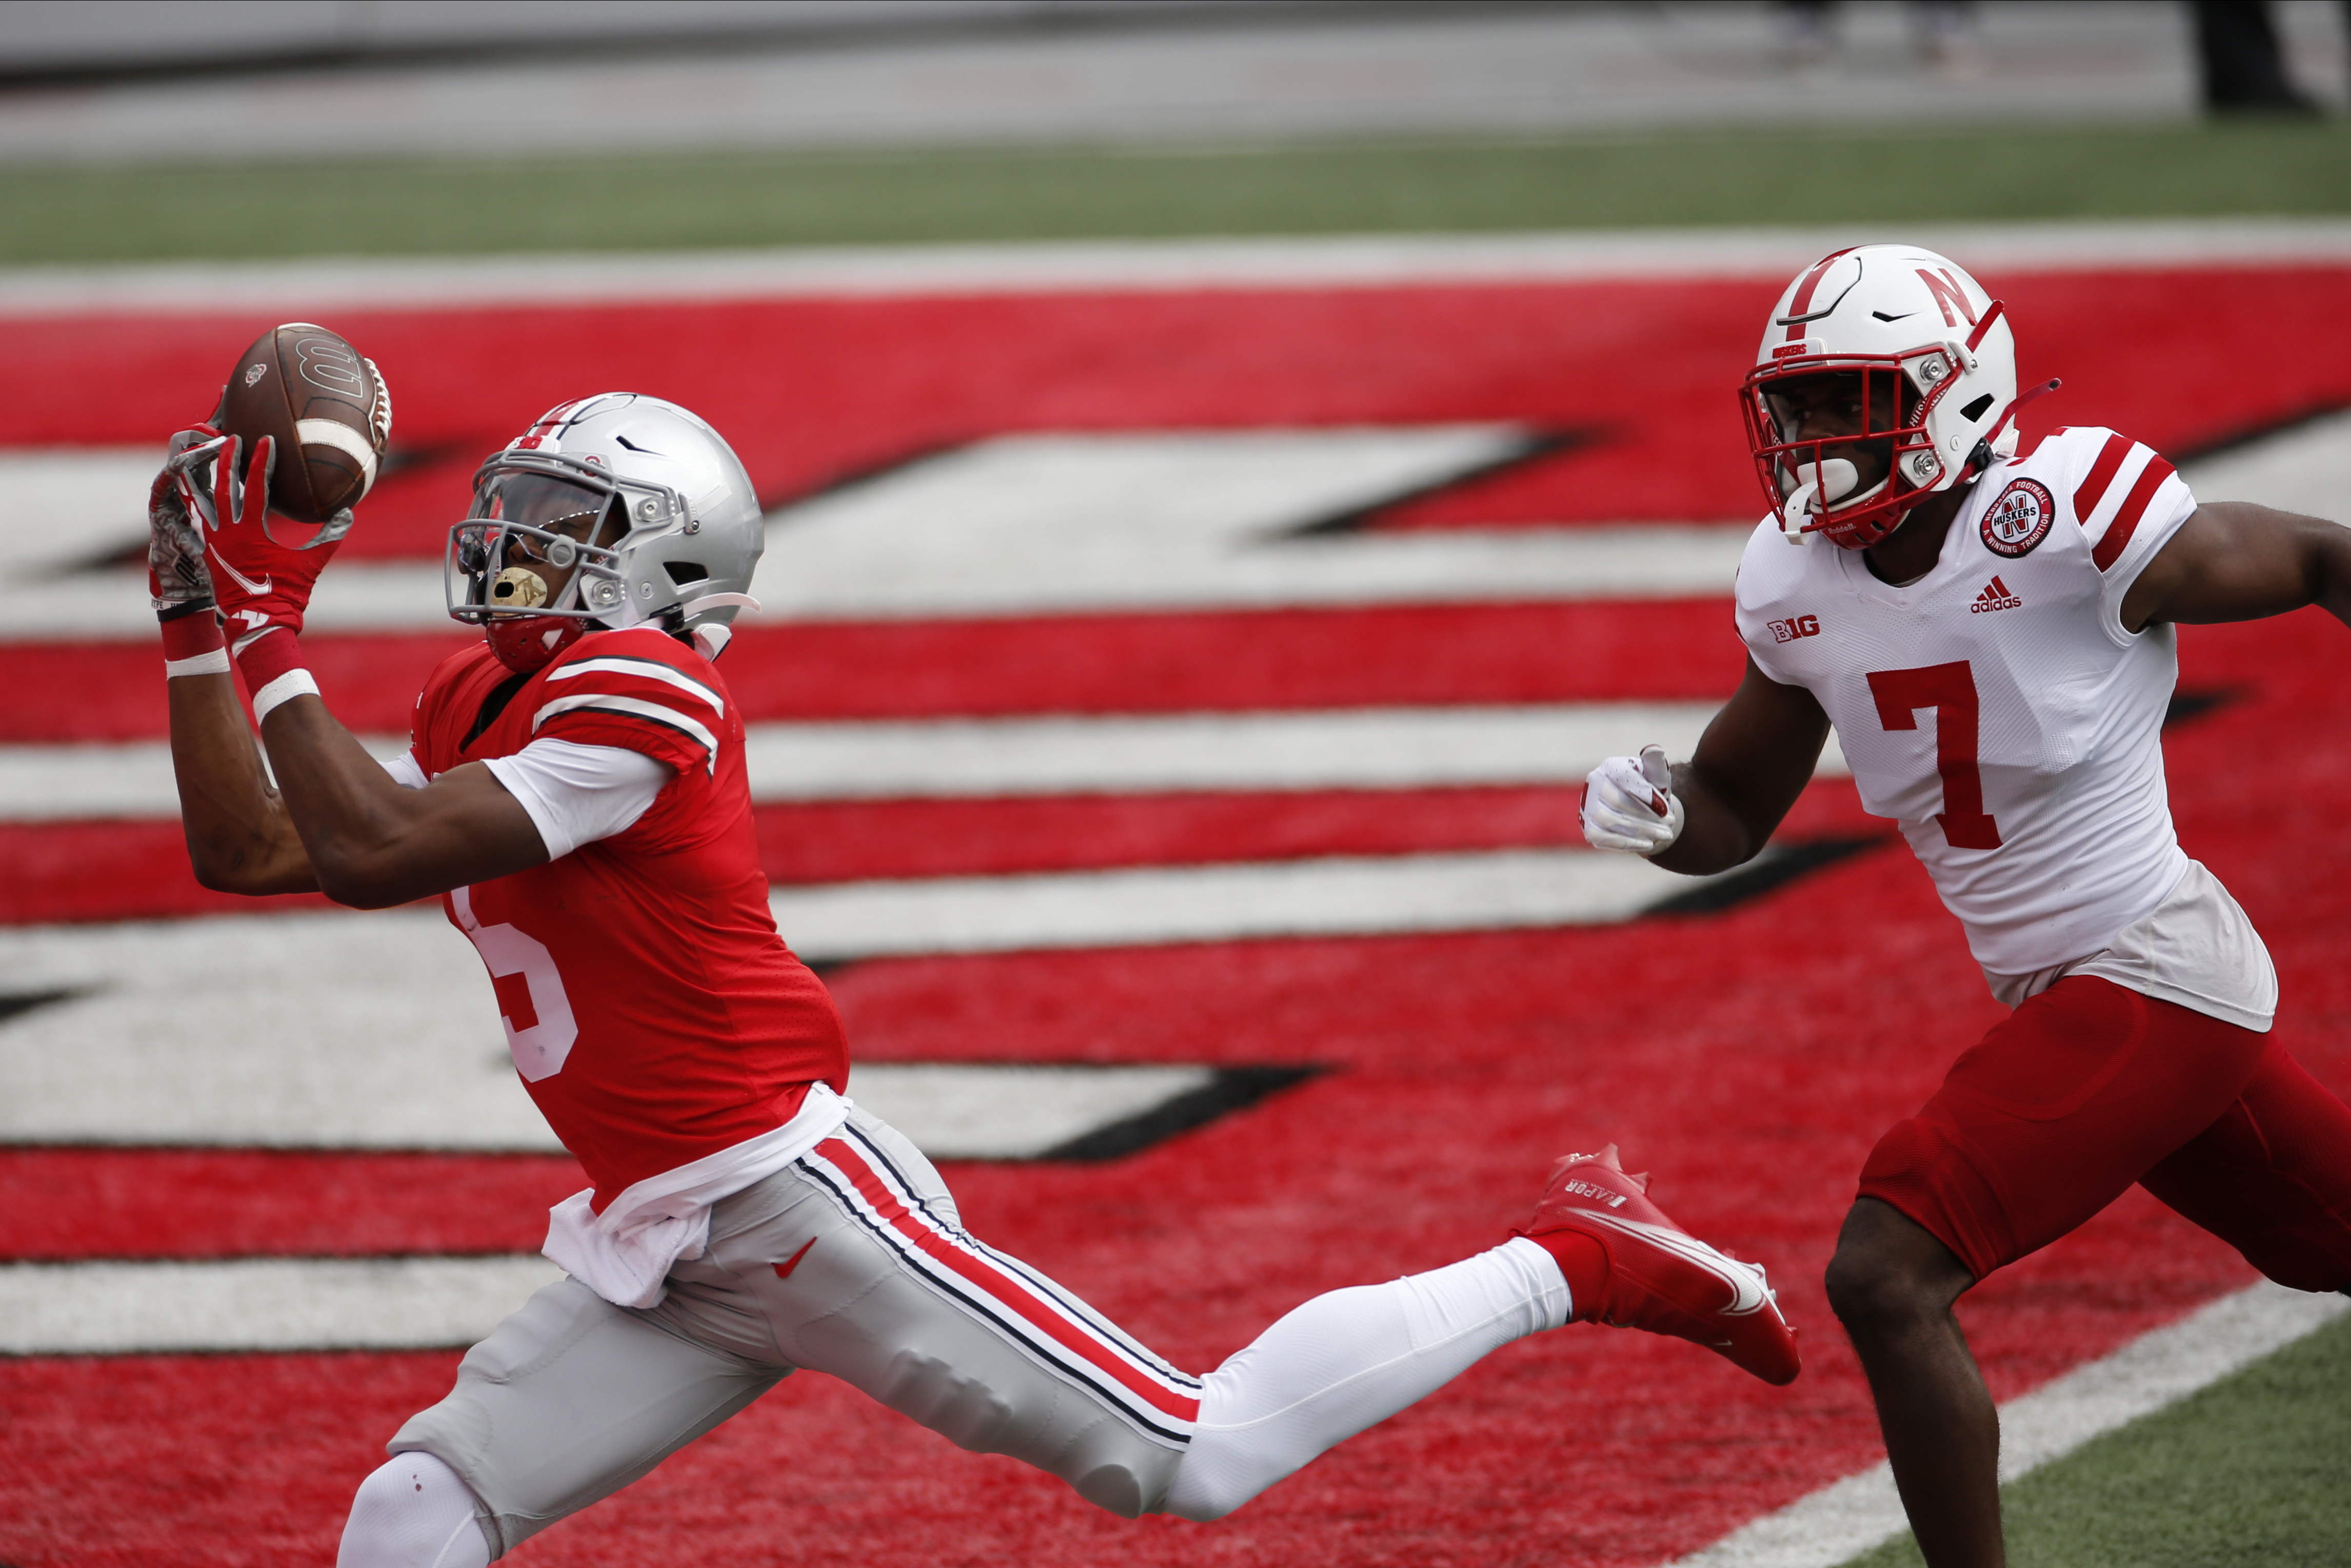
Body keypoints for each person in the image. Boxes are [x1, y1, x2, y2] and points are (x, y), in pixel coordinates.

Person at [147, 389, 1800, 1566]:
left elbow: (361, 848)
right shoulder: (475, 699)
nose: (510, 538)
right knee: (415, 1515)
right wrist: (195, 627)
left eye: (564, 523)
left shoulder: (651, 690)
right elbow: (261, 848)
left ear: (664, 571)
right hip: (664, 1231)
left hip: (794, 1203)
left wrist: (274, 605)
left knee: (1189, 1452)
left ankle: (1571, 1260)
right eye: (514, 503)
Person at [1579, 245, 2351, 1568]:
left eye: (1851, 400)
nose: (1815, 437)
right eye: (1802, 406)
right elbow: (1734, 804)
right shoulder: (1796, 580)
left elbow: (2323, 556)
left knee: (1885, 1275)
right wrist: (1662, 816)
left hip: (2157, 961)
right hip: (2070, 988)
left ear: (1958, 396)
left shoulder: (2065, 513)